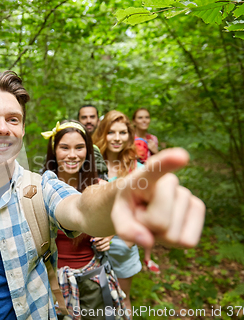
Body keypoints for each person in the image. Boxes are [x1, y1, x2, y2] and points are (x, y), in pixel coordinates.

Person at [0, 70, 205, 320]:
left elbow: (81, 208)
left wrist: (122, 197)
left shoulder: (41, 189)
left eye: (13, 119)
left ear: (21, 129)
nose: (3, 128)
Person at [41, 120, 124, 319]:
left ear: (88, 151)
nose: (72, 155)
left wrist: (109, 233)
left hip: (92, 281)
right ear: (54, 150)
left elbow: (120, 218)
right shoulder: (38, 189)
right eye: (64, 147)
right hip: (51, 283)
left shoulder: (100, 187)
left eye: (79, 147)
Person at [92, 110, 148, 315]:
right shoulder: (90, 165)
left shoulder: (139, 170)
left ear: (129, 136)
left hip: (123, 245)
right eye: (111, 132)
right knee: (94, 303)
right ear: (103, 133)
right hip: (92, 247)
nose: (117, 138)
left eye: (122, 133)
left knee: (123, 301)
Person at [132, 108, 161, 273]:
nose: (144, 120)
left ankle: (148, 257)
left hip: (151, 180)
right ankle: (132, 249)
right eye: (140, 117)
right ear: (134, 120)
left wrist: (154, 150)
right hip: (134, 179)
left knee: (151, 215)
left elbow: (157, 162)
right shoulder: (129, 137)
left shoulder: (152, 139)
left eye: (147, 117)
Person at [78, 105, 108, 177]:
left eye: (92, 117)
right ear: (78, 121)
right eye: (84, 117)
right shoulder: (72, 145)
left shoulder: (108, 143)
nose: (88, 121)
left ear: (98, 121)